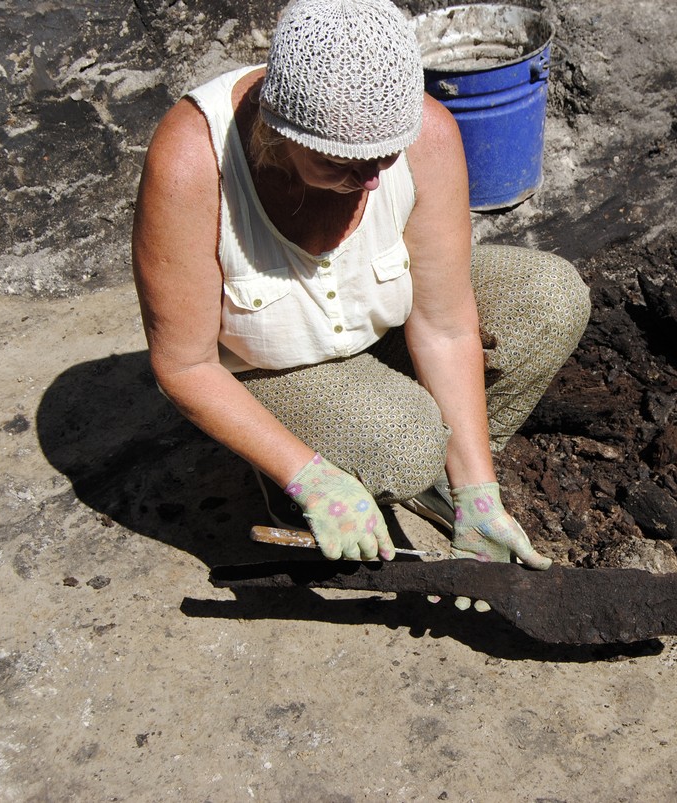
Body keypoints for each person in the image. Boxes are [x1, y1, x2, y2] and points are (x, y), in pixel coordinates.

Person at [131, 0, 590, 604]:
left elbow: (447, 326)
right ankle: (318, 474)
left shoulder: (425, 133)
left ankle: (436, 482)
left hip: (372, 324)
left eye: (386, 156)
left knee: (547, 296)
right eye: (339, 163)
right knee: (402, 442)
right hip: (271, 368)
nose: (372, 181)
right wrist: (311, 478)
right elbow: (185, 365)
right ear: (280, 130)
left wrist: (477, 491)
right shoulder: (195, 159)